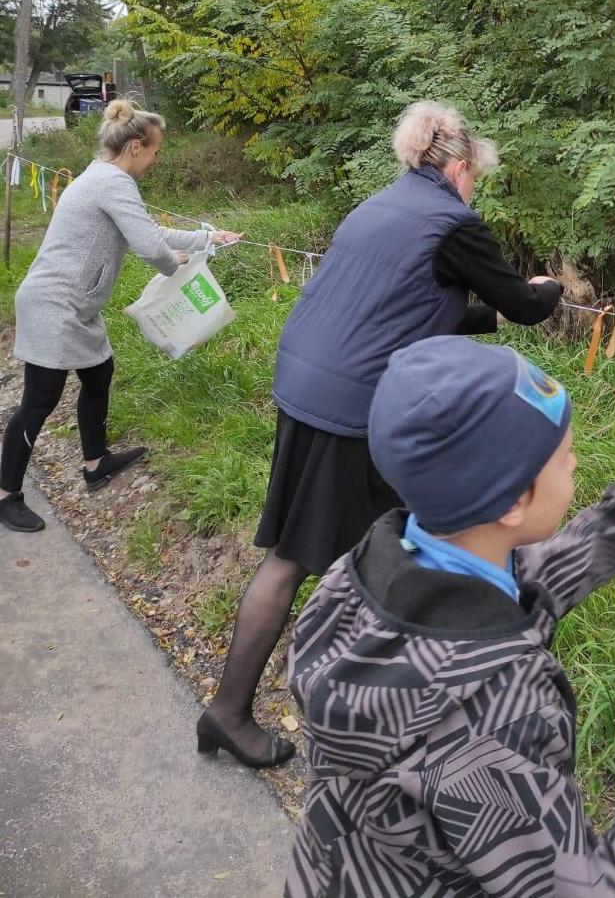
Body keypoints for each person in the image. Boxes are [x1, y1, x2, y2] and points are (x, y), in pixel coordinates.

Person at [281, 335, 615, 897]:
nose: (575, 460)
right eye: (564, 455)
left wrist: (609, 526)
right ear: (512, 504)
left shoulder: (360, 576)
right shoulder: (494, 711)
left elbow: (515, 585)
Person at [200, 101, 563, 768]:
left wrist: (491, 315)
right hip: (349, 404)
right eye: (475, 175)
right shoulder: (454, 222)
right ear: (458, 168)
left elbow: (412, 303)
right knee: (319, 556)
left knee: (350, 546)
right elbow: (522, 303)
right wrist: (548, 287)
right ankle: (237, 712)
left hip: (310, 381)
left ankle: (374, 702)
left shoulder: (382, 205)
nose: (474, 187)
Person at [0, 100, 243, 534]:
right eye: (155, 151)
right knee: (38, 401)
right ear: (135, 147)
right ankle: (7, 495)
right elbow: (153, 249)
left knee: (99, 374)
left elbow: (150, 233)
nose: (156, 159)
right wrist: (178, 265)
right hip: (54, 304)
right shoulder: (113, 183)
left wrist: (209, 237)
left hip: (77, 303)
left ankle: (95, 463)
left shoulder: (105, 179)